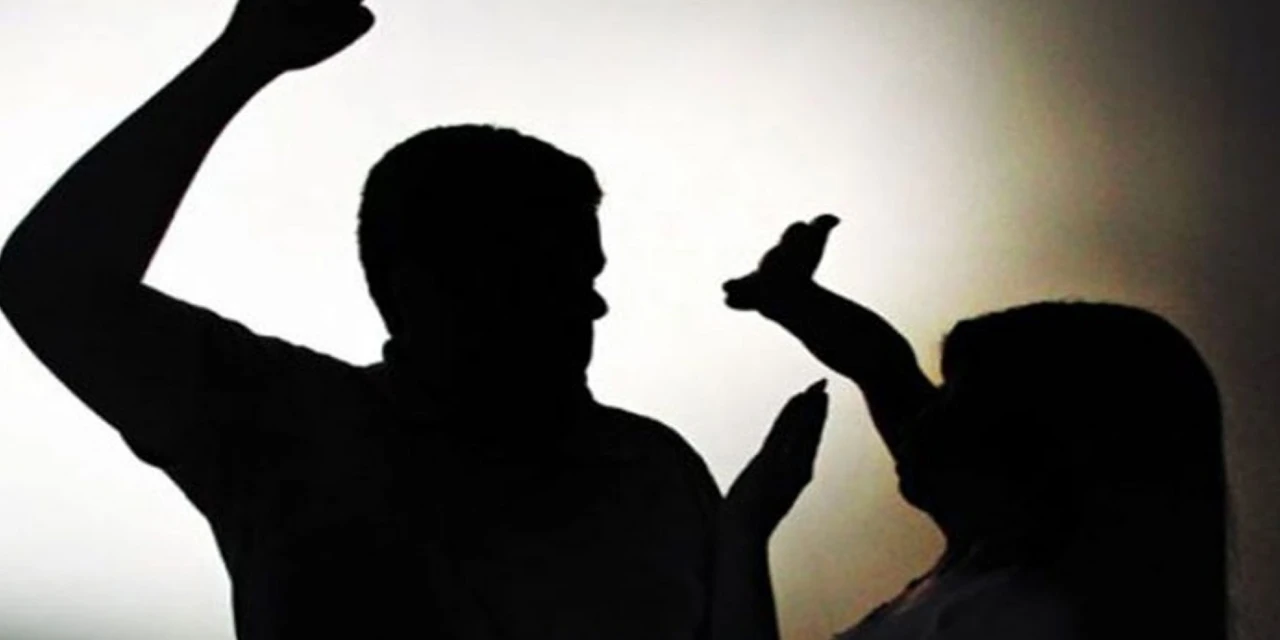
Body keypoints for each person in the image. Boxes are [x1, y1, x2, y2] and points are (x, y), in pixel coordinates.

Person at [0, 2, 727, 637]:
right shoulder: (288, 425)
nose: (590, 304)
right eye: (540, 277)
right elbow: (51, 285)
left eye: (587, 275)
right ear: (421, 290)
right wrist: (243, 58)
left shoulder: (659, 469)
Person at [719, 215, 1229, 640]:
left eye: (954, 395)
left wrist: (743, 534)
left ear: (1037, 449)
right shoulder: (995, 570)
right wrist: (798, 302)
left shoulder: (1010, 619)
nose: (925, 412)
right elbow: (886, 372)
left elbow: (890, 380)